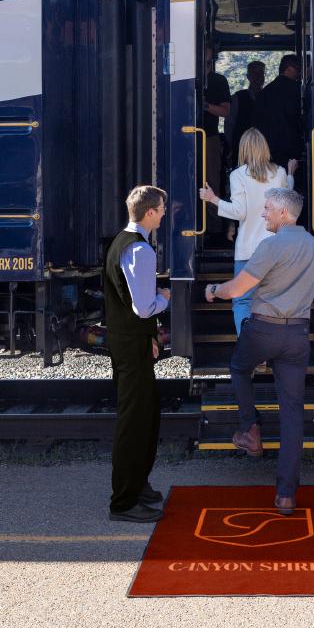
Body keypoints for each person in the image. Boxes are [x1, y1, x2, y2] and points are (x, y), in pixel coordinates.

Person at [204, 188, 314, 515]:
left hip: (263, 330)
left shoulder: (270, 246)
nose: (263, 214)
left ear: (285, 214)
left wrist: (213, 291)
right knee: (292, 413)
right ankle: (286, 495)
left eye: (268, 209)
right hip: (296, 335)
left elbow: (238, 289)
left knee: (238, 369)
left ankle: (251, 429)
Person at [104, 185, 170, 523]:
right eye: (161, 209)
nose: (163, 214)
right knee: (134, 421)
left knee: (145, 415)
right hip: (132, 345)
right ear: (149, 213)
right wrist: (166, 297)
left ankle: (138, 485)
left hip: (129, 341)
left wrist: (149, 338)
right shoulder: (141, 251)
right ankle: (124, 502)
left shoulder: (120, 242)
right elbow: (144, 308)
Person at [199, 128, 296, 334]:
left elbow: (239, 212)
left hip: (247, 250)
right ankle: (269, 348)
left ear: (243, 149)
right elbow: (288, 198)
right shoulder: (278, 173)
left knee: (243, 301)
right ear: (264, 148)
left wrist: (212, 198)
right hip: (275, 250)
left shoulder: (238, 175)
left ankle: (251, 350)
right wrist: (290, 175)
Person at [252, 53, 303, 171]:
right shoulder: (296, 90)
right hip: (289, 145)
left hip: (266, 146)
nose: (299, 74)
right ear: (289, 68)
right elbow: (296, 117)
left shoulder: (265, 92)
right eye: (298, 69)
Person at [203, 45, 231, 243]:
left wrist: (203, 105)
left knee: (211, 181)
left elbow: (225, 112)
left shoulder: (218, 80)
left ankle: (213, 230)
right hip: (183, 136)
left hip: (209, 137)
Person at [226, 60, 266, 169]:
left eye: (261, 73)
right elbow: (229, 124)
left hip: (265, 147)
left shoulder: (269, 97)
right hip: (241, 146)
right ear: (248, 76)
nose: (258, 77)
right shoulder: (237, 97)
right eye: (255, 73)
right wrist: (230, 146)